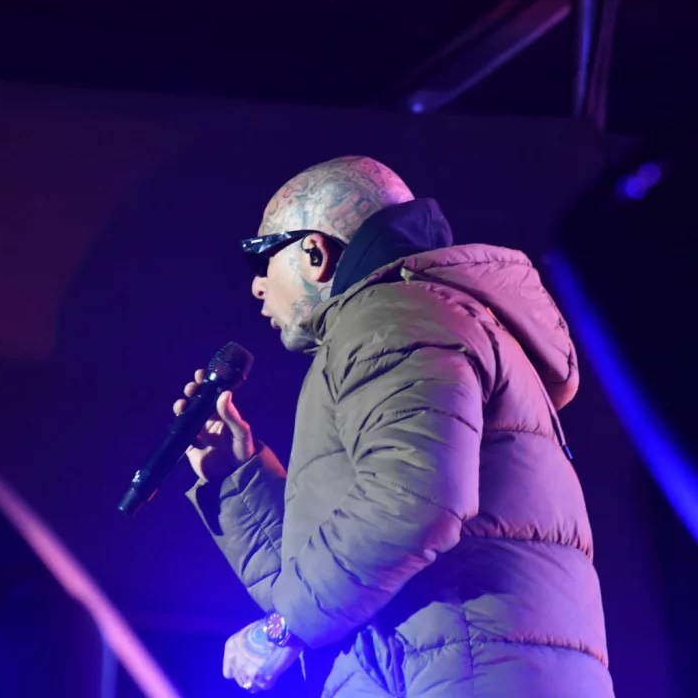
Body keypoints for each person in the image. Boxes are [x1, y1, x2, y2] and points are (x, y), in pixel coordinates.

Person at [175, 156, 615, 697]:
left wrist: (282, 630)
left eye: (262, 258)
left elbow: (411, 501)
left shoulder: (390, 319)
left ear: (315, 254)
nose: (257, 287)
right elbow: (338, 577)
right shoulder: (417, 321)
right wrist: (236, 478)